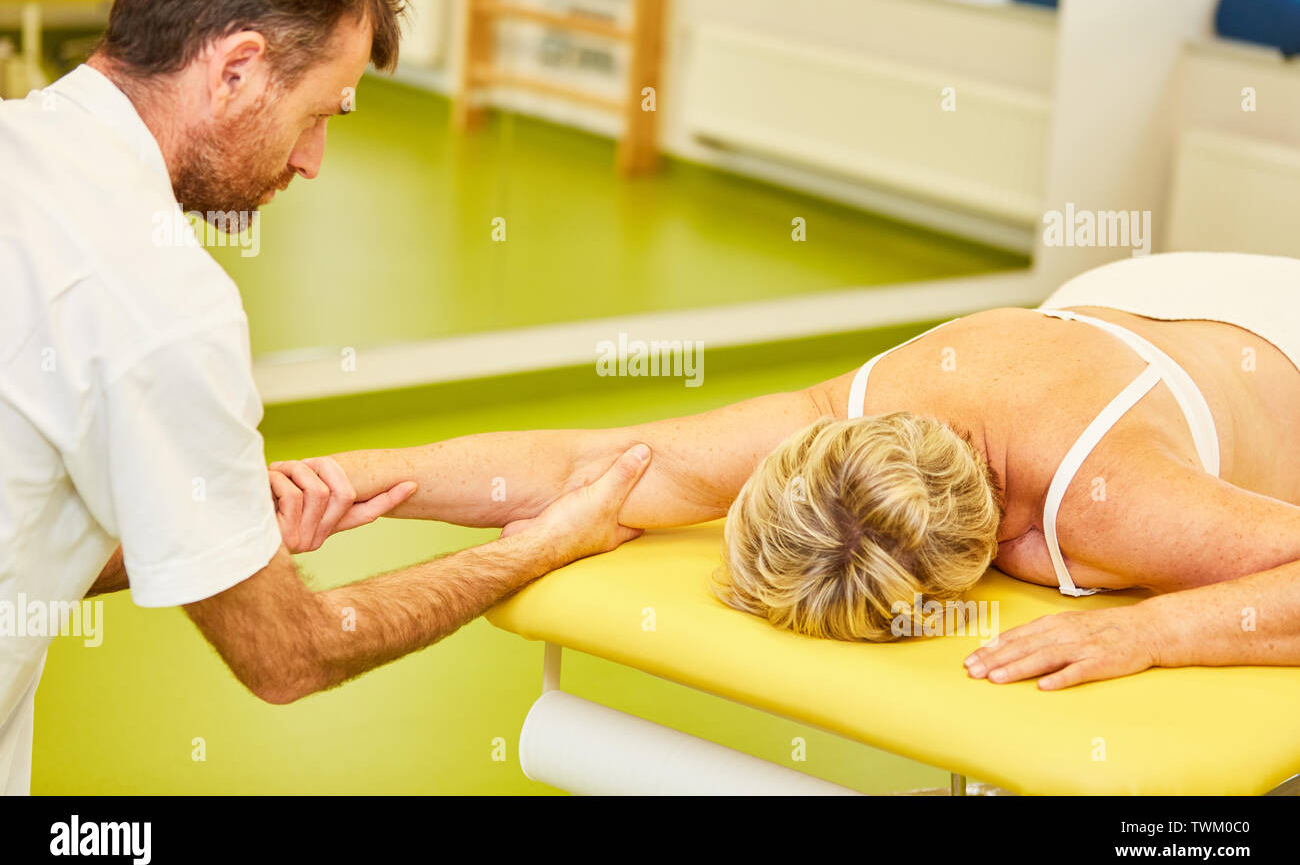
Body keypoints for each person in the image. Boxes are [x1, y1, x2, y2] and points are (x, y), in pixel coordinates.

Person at [0, 0, 650, 797]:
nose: (311, 162)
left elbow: (26, 522)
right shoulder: (159, 300)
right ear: (235, 68)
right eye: (317, 114)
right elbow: (288, 655)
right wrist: (533, 551)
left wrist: (216, 514)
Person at [279, 251, 1300, 691]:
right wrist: (347, 478)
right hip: (1127, 300)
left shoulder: (1110, 504)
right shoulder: (854, 414)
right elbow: (589, 463)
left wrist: (1149, 628)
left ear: (987, 549)